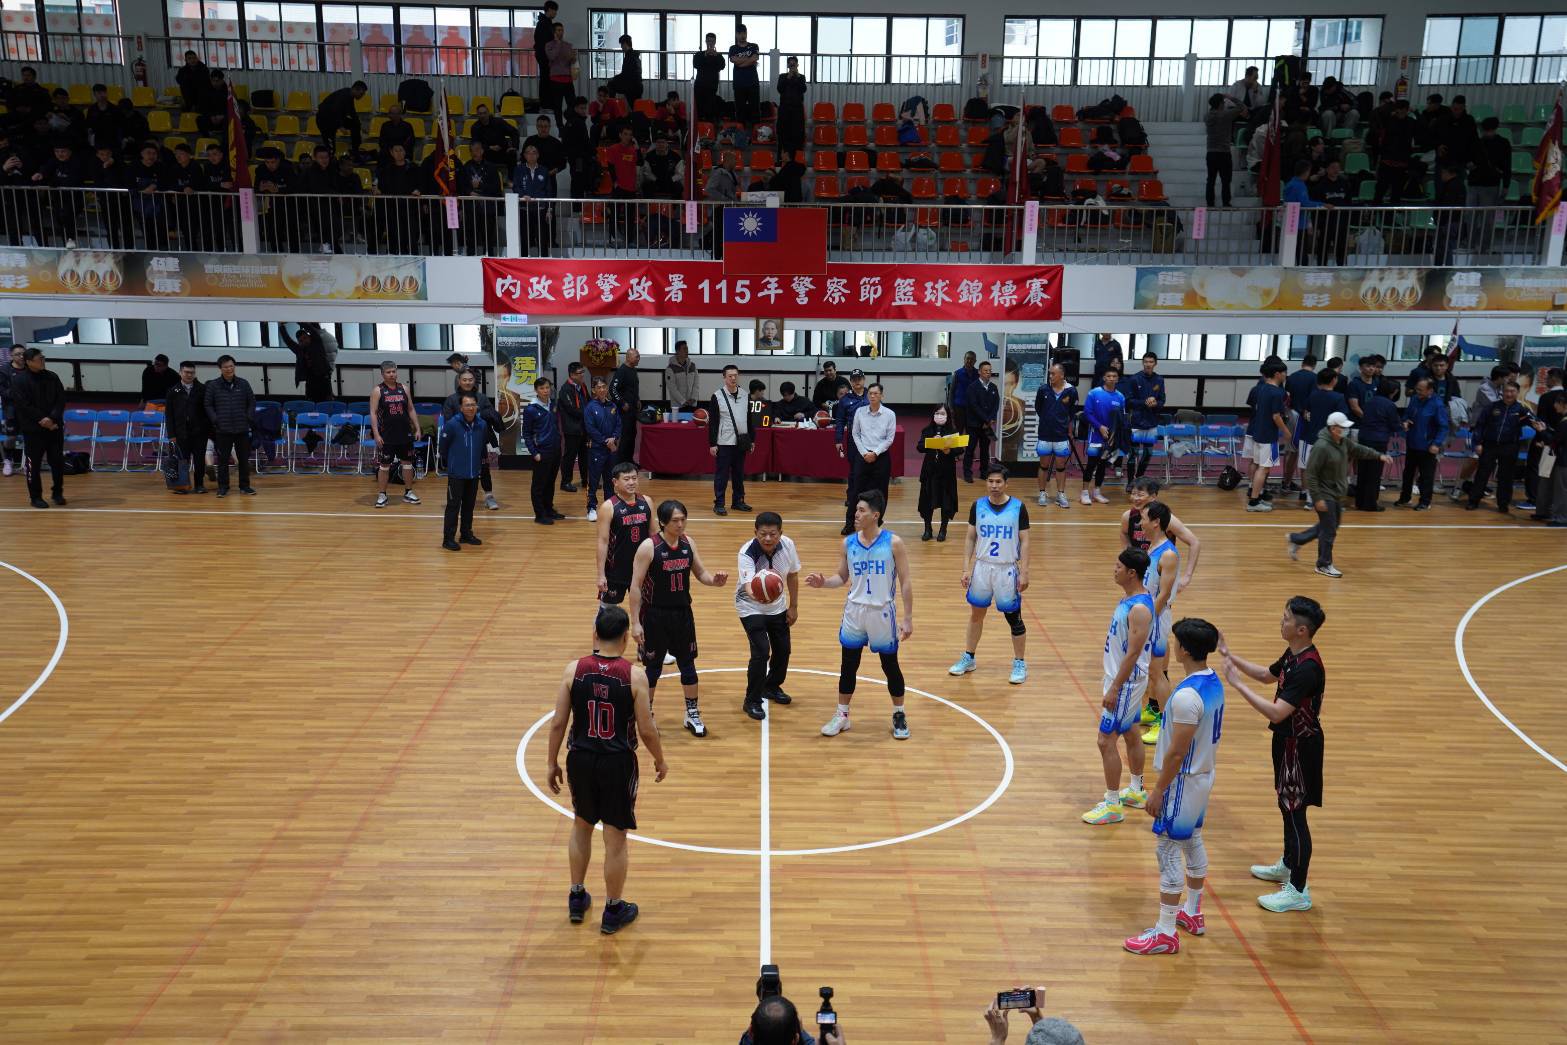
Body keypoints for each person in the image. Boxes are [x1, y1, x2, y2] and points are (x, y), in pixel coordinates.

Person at [545, 605, 667, 936]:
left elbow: (558, 723)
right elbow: (647, 729)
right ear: (626, 637)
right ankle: (612, 910)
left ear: (595, 634)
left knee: (581, 825)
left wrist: (551, 762)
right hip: (617, 763)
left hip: (581, 759)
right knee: (615, 837)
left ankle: (576, 896)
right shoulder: (635, 676)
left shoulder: (573, 670)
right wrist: (659, 759)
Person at [1122, 617, 1224, 956]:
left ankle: (1165, 932)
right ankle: (1192, 912)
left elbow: (1177, 752)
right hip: (1203, 776)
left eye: (1175, 641)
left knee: (1166, 849)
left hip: (1182, 781)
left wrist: (1158, 790)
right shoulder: (1211, 682)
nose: (1172, 645)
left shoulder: (1187, 697)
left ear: (1184, 650)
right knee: (1193, 839)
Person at [1219, 596, 1326, 914]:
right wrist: (1229, 656)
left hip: (1300, 748)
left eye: (1286, 618)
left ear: (1302, 629)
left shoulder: (1307, 668)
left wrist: (1237, 686)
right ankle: (1288, 865)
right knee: (1286, 805)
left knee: (1295, 814)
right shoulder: (1294, 654)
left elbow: (1278, 712)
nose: (1281, 622)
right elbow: (1267, 675)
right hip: (1286, 742)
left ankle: (1298, 891)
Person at [808, 490, 915, 740]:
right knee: (848, 665)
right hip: (854, 611)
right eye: (856, 510)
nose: (855, 514)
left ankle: (899, 713)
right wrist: (824, 583)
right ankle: (842, 715)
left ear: (875, 515)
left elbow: (906, 582)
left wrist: (908, 618)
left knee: (890, 665)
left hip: (882, 612)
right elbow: (841, 577)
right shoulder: (848, 543)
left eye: (861, 510)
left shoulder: (894, 543)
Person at [629, 499, 728, 738]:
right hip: (654, 615)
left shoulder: (688, 543)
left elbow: (701, 573)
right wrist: (635, 622)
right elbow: (635, 586)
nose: (681, 524)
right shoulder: (648, 547)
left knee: (688, 665)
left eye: (683, 519)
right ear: (663, 522)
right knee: (653, 668)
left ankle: (692, 713)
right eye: (675, 520)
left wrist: (714, 581)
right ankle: (647, 714)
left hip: (682, 614)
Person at [1082, 547, 1155, 826]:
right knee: (1132, 731)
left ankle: (1113, 805)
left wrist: (1114, 687)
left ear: (1132, 573)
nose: (1114, 570)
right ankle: (1136, 790)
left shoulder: (1139, 609)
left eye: (1118, 567)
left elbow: (1133, 653)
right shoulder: (1131, 599)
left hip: (1125, 684)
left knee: (1105, 740)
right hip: (1123, 681)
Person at [950, 464, 1031, 685]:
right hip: (982, 568)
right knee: (976, 615)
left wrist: (1024, 572)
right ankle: (969, 657)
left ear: (1006, 484)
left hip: (1007, 569)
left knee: (1014, 618)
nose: (994, 485)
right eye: (990, 481)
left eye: (998, 482)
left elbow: (1025, 541)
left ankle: (1020, 663)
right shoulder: (977, 506)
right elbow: (970, 538)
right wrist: (966, 568)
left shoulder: (1018, 507)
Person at [1290, 411, 1392, 578]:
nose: (1346, 430)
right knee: (1329, 530)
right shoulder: (1321, 447)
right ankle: (1323, 564)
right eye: (1342, 427)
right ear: (1333, 428)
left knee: (1330, 525)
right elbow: (1311, 474)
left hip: (1337, 492)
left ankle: (1297, 539)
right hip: (1324, 493)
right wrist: (1317, 498)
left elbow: (1358, 449)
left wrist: (1379, 455)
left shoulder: (1343, 442)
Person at [735, 511, 801, 721]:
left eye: (773, 534)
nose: (768, 538)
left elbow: (793, 575)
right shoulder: (746, 553)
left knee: (783, 649)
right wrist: (760, 595)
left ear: (781, 533)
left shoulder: (788, 545)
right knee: (761, 651)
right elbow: (748, 586)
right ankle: (751, 700)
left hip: (777, 606)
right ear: (755, 532)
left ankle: (771, 686)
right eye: (763, 534)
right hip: (750, 606)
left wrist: (793, 606)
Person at [1467, 380, 1537, 514]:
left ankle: (1503, 504)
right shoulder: (1492, 407)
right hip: (1489, 445)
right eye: (1506, 391)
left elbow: (1536, 423)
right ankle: (1473, 501)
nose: (1509, 394)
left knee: (1506, 477)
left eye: (1512, 391)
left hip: (1510, 447)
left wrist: (1546, 435)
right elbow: (1480, 426)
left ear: (1517, 393)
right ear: (1502, 392)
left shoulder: (1522, 410)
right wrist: (1478, 443)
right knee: (1482, 474)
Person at [13, 348, 67, 509]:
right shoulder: (19, 380)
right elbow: (23, 405)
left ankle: (57, 493)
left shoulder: (52, 377)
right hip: (33, 430)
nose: (43, 361)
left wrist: (52, 418)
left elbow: (60, 400)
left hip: (54, 427)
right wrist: (42, 419)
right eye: (39, 359)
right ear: (29, 362)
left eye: (43, 358)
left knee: (57, 461)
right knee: (33, 464)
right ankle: (35, 497)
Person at [441, 370, 502, 512]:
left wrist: (484, 416)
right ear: (459, 381)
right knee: (458, 471)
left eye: (470, 379)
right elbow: (448, 421)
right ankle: (457, 498)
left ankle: (489, 496)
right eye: (464, 379)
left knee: (484, 468)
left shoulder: (482, 398)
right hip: (458, 443)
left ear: (474, 381)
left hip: (478, 440)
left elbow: (490, 415)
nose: (467, 382)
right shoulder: (451, 399)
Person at [596, 461, 652, 608]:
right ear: (615, 482)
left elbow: (654, 536)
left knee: (644, 610)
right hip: (616, 570)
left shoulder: (647, 501)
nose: (631, 482)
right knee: (607, 612)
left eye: (634, 478)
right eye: (626, 479)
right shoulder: (608, 507)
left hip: (642, 568)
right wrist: (601, 575)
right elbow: (603, 542)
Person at [202, 354, 256, 498]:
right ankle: (223, 487)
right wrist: (215, 419)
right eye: (226, 367)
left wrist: (248, 417)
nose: (229, 369)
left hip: (242, 428)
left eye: (231, 366)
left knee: (243, 459)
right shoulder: (213, 385)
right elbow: (207, 405)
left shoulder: (243, 383)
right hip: (222, 429)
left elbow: (252, 402)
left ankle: (245, 486)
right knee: (223, 460)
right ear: (220, 368)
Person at [438, 393, 487, 551]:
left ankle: (466, 534)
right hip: (456, 474)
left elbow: (482, 446)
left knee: (469, 505)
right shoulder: (452, 424)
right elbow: (443, 447)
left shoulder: (482, 424)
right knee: (453, 506)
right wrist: (452, 464)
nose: (471, 408)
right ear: (461, 407)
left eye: (473, 405)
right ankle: (448, 539)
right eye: (467, 405)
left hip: (473, 473)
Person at [369, 360, 421, 508]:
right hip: (387, 435)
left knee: (407, 463)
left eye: (393, 371)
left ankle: (408, 492)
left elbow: (411, 409)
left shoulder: (404, 388)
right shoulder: (378, 390)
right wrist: (376, 434)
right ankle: (382, 494)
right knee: (384, 465)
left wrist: (417, 428)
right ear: (382, 374)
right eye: (388, 372)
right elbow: (373, 413)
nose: (392, 374)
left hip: (405, 434)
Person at [1394, 377, 1450, 511]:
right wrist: (1405, 422)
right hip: (1412, 443)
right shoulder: (1414, 399)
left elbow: (1443, 427)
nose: (1417, 392)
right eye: (1417, 389)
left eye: (1420, 390)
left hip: (1428, 446)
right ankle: (1405, 498)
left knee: (1426, 476)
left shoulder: (1437, 404)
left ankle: (1425, 501)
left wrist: (1436, 444)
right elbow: (1406, 415)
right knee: (1408, 473)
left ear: (1430, 390)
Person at [847, 383, 896, 531]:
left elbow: (889, 438)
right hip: (862, 455)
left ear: (882, 395)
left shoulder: (889, 414)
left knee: (880, 492)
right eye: (870, 393)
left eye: (876, 393)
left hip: (881, 457)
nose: (872, 396)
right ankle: (850, 523)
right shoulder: (860, 412)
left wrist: (875, 453)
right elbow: (855, 433)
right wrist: (864, 453)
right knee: (856, 490)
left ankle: (876, 523)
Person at [1244, 360, 1291, 511]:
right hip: (1269, 436)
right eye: (1284, 372)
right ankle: (1253, 502)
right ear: (1277, 374)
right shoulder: (1277, 392)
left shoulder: (1261, 388)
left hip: (1258, 433)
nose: (1286, 375)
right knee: (1263, 469)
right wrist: (1286, 431)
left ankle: (1256, 498)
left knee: (1260, 467)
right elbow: (1276, 416)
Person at [708, 363, 753, 517]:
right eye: (730, 376)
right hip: (724, 442)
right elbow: (713, 423)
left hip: (741, 441)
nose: (733, 378)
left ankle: (738, 501)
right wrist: (712, 443)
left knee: (739, 474)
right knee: (722, 475)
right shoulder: (717, 396)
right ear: (724, 378)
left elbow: (749, 419)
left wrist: (752, 440)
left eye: (735, 375)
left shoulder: (745, 395)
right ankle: (719, 504)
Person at [1034, 362, 1078, 508]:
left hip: (1061, 436)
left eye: (1053, 373)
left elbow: (1072, 413)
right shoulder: (1043, 389)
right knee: (1043, 465)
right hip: (1045, 434)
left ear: (1062, 375)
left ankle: (1060, 494)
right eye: (1050, 373)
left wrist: (1067, 428)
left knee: (1060, 466)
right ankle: (1042, 493)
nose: (1050, 376)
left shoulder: (1071, 391)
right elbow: (1038, 408)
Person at [1353, 379, 1401, 512]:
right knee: (1374, 473)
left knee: (1363, 471)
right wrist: (1403, 426)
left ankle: (1360, 501)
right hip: (1378, 440)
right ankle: (1370, 503)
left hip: (1364, 438)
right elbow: (1394, 425)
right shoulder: (1390, 405)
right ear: (1393, 391)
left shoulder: (1370, 401)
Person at [522, 377, 563, 524]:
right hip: (541, 452)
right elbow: (526, 434)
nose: (545, 391)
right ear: (536, 390)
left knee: (550, 482)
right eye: (542, 388)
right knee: (539, 485)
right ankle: (539, 515)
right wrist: (535, 453)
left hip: (555, 450)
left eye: (547, 387)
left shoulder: (553, 405)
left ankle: (548, 509)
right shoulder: (531, 409)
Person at [1080, 367, 1124, 505]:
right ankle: (1084, 493)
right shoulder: (1094, 393)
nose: (1111, 378)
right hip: (1096, 435)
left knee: (1103, 464)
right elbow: (1087, 413)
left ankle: (1097, 492)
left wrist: (1114, 435)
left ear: (1117, 379)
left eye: (1114, 376)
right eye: (1109, 376)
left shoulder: (1120, 397)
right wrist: (1100, 427)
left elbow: (1121, 418)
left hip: (1110, 438)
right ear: (1104, 378)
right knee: (1091, 464)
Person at [164, 360, 208, 495]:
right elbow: (169, 415)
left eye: (192, 373)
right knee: (183, 460)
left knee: (199, 459)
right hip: (180, 433)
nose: (189, 375)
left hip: (199, 432)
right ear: (180, 372)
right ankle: (182, 485)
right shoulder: (173, 391)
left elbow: (207, 411)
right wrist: (171, 435)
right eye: (186, 372)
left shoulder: (202, 389)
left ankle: (199, 485)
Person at [917, 406, 960, 541]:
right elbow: (919, 447)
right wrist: (932, 442)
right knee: (927, 500)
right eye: (937, 413)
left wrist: (949, 451)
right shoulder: (927, 430)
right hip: (930, 470)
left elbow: (960, 449)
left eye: (942, 413)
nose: (939, 415)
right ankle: (927, 529)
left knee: (946, 501)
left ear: (948, 416)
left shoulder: (953, 431)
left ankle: (943, 529)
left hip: (946, 472)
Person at [1122, 352, 1165, 480]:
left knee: (1148, 453)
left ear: (1155, 363)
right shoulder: (1134, 379)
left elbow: (1162, 400)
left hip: (1151, 422)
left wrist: (1156, 403)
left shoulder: (1159, 380)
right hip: (1136, 422)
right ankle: (1130, 482)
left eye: (1151, 362)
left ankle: (1139, 478)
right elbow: (1128, 401)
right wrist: (1144, 402)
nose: (1148, 364)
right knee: (1133, 454)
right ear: (1142, 363)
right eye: (1146, 362)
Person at [584, 376, 621, 520]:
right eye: (598, 387)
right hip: (597, 449)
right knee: (593, 481)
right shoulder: (590, 407)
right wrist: (606, 441)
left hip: (610, 450)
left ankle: (609, 508)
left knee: (610, 480)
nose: (602, 390)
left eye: (604, 387)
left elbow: (618, 424)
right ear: (593, 390)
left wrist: (614, 438)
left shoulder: (613, 406)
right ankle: (591, 508)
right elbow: (590, 428)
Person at [1203, 94, 1244, 207]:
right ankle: (1226, 202)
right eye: (1224, 102)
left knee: (1211, 180)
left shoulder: (1207, 116)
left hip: (1211, 152)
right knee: (1226, 180)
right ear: (1221, 104)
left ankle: (1210, 203)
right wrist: (1231, 97)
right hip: (1224, 153)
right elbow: (1241, 107)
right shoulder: (1226, 115)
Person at [964, 360, 1000, 484]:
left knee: (985, 449)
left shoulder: (993, 387)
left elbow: (996, 405)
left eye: (990, 371)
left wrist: (991, 419)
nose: (988, 373)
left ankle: (984, 472)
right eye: (985, 371)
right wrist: (986, 419)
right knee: (970, 449)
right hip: (974, 424)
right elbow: (974, 406)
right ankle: (967, 473)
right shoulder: (972, 387)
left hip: (987, 425)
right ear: (979, 372)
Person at [558, 361, 590, 493]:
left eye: (583, 372)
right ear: (572, 375)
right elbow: (572, 409)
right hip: (572, 428)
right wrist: (589, 414)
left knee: (585, 455)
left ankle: (585, 480)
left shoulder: (582, 386)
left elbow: (588, 401)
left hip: (584, 427)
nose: (582, 375)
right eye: (579, 373)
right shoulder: (565, 389)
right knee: (570, 456)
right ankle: (565, 482)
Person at [280, 325, 332, 403]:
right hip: (310, 383)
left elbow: (312, 330)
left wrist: (300, 319)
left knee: (326, 404)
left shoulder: (317, 343)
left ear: (309, 337)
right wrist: (281, 326)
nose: (304, 341)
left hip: (323, 381)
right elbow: (288, 341)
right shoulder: (299, 350)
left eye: (305, 338)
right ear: (299, 343)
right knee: (310, 404)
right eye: (301, 341)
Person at [316, 80, 367, 155]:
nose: (362, 96)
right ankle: (330, 157)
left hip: (335, 119)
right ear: (355, 89)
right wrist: (340, 126)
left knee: (355, 124)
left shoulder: (349, 95)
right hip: (325, 121)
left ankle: (355, 150)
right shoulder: (343, 95)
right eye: (361, 94)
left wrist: (360, 125)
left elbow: (352, 112)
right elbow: (336, 111)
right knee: (331, 147)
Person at [609, 347, 641, 467]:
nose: (638, 358)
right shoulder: (622, 371)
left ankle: (629, 461)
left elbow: (632, 389)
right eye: (636, 356)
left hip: (633, 409)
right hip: (624, 411)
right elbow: (613, 389)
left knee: (632, 435)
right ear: (628, 357)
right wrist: (622, 403)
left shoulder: (633, 370)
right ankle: (621, 464)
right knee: (626, 437)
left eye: (638, 356)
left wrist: (638, 399)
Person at [543, 23, 577, 125]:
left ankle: (569, 124)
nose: (561, 32)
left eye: (562, 30)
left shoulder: (568, 45)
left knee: (572, 104)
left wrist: (573, 58)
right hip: (555, 79)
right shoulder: (549, 45)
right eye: (558, 30)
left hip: (568, 78)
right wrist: (558, 43)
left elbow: (571, 61)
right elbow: (552, 57)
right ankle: (560, 127)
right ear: (554, 32)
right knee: (557, 106)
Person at [728, 25, 761, 126]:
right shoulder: (733, 48)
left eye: (744, 33)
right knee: (740, 111)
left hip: (753, 83)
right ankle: (741, 133)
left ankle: (755, 133)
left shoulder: (754, 46)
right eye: (740, 33)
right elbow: (734, 60)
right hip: (739, 84)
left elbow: (755, 58)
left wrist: (741, 63)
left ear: (746, 33)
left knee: (755, 110)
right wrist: (749, 61)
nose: (742, 35)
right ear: (736, 35)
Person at [776, 56, 807, 159]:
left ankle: (796, 158)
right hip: (784, 110)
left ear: (797, 65)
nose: (792, 65)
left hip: (797, 111)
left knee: (797, 135)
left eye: (794, 63)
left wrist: (797, 75)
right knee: (783, 134)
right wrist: (788, 77)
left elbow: (803, 89)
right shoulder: (782, 76)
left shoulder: (801, 77)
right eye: (790, 63)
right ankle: (782, 158)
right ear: (788, 65)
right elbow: (779, 89)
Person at [693, 33, 726, 124]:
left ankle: (710, 128)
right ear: (706, 42)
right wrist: (705, 55)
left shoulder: (718, 56)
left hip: (712, 86)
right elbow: (695, 64)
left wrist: (716, 56)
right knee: (699, 108)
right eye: (708, 41)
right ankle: (699, 128)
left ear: (715, 42)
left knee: (710, 109)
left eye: (712, 41)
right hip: (699, 85)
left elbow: (722, 66)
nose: (710, 43)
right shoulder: (699, 54)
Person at [533, 1, 558, 116]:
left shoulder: (546, 22)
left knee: (547, 81)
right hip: (545, 57)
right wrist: (549, 56)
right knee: (545, 81)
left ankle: (547, 105)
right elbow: (544, 43)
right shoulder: (543, 23)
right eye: (555, 10)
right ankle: (545, 106)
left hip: (545, 56)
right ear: (549, 10)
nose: (555, 13)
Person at [607, 33, 643, 106]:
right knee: (636, 107)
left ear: (625, 44)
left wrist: (614, 78)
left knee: (611, 84)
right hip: (638, 85)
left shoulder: (629, 57)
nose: (621, 47)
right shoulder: (635, 56)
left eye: (621, 45)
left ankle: (611, 106)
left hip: (631, 86)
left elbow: (625, 74)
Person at [950, 350, 978, 429]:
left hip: (973, 408)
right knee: (959, 430)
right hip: (959, 407)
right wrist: (951, 408)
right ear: (964, 359)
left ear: (975, 361)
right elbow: (951, 392)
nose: (969, 361)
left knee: (971, 430)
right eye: (967, 358)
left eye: (972, 359)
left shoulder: (978, 374)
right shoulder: (957, 373)